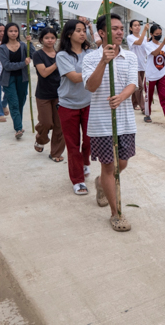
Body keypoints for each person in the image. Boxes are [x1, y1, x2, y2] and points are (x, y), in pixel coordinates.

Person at [83, 13, 138, 232]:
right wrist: (103, 62)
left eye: (121, 28)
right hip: (101, 122)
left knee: (121, 164)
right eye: (114, 28)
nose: (119, 32)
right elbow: (91, 86)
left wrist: (122, 96)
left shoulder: (130, 57)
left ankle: (100, 183)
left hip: (125, 121)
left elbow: (133, 83)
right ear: (102, 33)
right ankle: (116, 213)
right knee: (109, 166)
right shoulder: (90, 58)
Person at [56, 19, 92, 195]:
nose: (82, 33)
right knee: (73, 145)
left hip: (88, 103)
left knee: (89, 139)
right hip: (68, 105)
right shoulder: (62, 56)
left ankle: (85, 162)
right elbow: (75, 77)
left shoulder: (90, 53)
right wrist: (97, 69)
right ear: (69, 34)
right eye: (78, 30)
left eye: (84, 30)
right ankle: (78, 180)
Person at [32, 27, 65, 163]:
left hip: (60, 94)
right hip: (44, 94)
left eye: (52, 38)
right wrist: (58, 64)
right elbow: (44, 72)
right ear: (41, 39)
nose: (50, 40)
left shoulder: (61, 54)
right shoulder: (38, 55)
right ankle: (41, 138)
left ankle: (55, 153)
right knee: (46, 122)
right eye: (47, 38)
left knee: (59, 125)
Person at [0, 23, 34, 139]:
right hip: (8, 79)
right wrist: (23, 63)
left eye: (15, 31)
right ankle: (18, 128)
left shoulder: (24, 46)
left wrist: (30, 43)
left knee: (20, 102)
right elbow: (7, 66)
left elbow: (33, 55)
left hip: (23, 78)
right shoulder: (2, 48)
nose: (13, 33)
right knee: (13, 103)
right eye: (11, 31)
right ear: (6, 33)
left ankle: (18, 123)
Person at [144, 23, 165, 127]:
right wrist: (163, 44)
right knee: (149, 96)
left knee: (164, 96)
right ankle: (147, 114)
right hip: (151, 75)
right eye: (157, 33)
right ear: (151, 34)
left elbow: (162, 60)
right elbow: (155, 53)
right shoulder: (148, 45)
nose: (159, 35)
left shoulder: (164, 46)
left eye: (160, 33)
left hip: (161, 74)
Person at [126, 19, 149, 112]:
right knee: (139, 86)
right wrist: (144, 31)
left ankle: (134, 103)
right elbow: (139, 42)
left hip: (143, 64)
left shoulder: (144, 37)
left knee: (136, 86)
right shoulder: (130, 37)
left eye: (139, 25)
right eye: (135, 25)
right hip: (133, 64)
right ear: (131, 28)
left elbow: (145, 49)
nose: (137, 27)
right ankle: (143, 107)